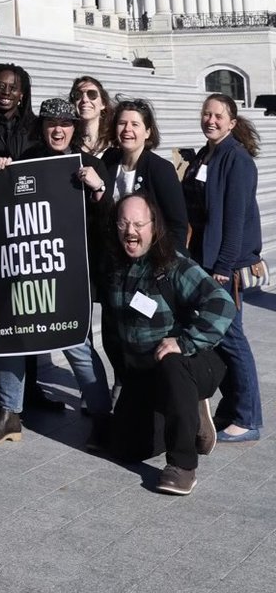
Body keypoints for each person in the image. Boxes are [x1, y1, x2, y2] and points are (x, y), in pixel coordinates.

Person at [0, 98, 113, 447]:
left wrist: (98, 189)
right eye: (52, 123)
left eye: (65, 124)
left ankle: (102, 415)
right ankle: (9, 415)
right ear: (42, 126)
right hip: (24, 270)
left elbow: (107, 223)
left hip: (68, 274)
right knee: (10, 338)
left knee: (77, 345)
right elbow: (1, 205)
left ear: (75, 128)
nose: (58, 129)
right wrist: (0, 169)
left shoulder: (90, 164)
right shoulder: (26, 161)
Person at [102, 194, 235, 495]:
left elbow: (222, 304)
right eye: (123, 222)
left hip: (189, 363)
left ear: (154, 226)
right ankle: (186, 418)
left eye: (138, 223)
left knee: (172, 363)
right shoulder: (114, 267)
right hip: (143, 373)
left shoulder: (172, 265)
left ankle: (183, 464)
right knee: (124, 449)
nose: (130, 230)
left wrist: (185, 341)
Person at [183, 94, 263, 442]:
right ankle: (232, 409)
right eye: (206, 114)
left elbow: (235, 221)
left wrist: (224, 267)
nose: (211, 120)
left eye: (218, 116)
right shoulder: (207, 154)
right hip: (205, 262)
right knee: (223, 339)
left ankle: (248, 418)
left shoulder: (237, 159)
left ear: (232, 122)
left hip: (222, 267)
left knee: (232, 340)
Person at [99, 98, 187, 245]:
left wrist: (170, 263)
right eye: (122, 123)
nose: (127, 129)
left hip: (150, 258)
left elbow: (177, 225)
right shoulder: (108, 159)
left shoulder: (161, 169)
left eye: (135, 124)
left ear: (147, 132)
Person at [0, 63, 36, 161]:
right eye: (0, 86)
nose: (6, 92)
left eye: (13, 88)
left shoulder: (34, 127)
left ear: (21, 94)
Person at [69, 75, 112, 156]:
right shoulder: (67, 143)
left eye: (92, 94)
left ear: (103, 103)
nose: (85, 100)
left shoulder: (114, 141)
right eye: (78, 95)